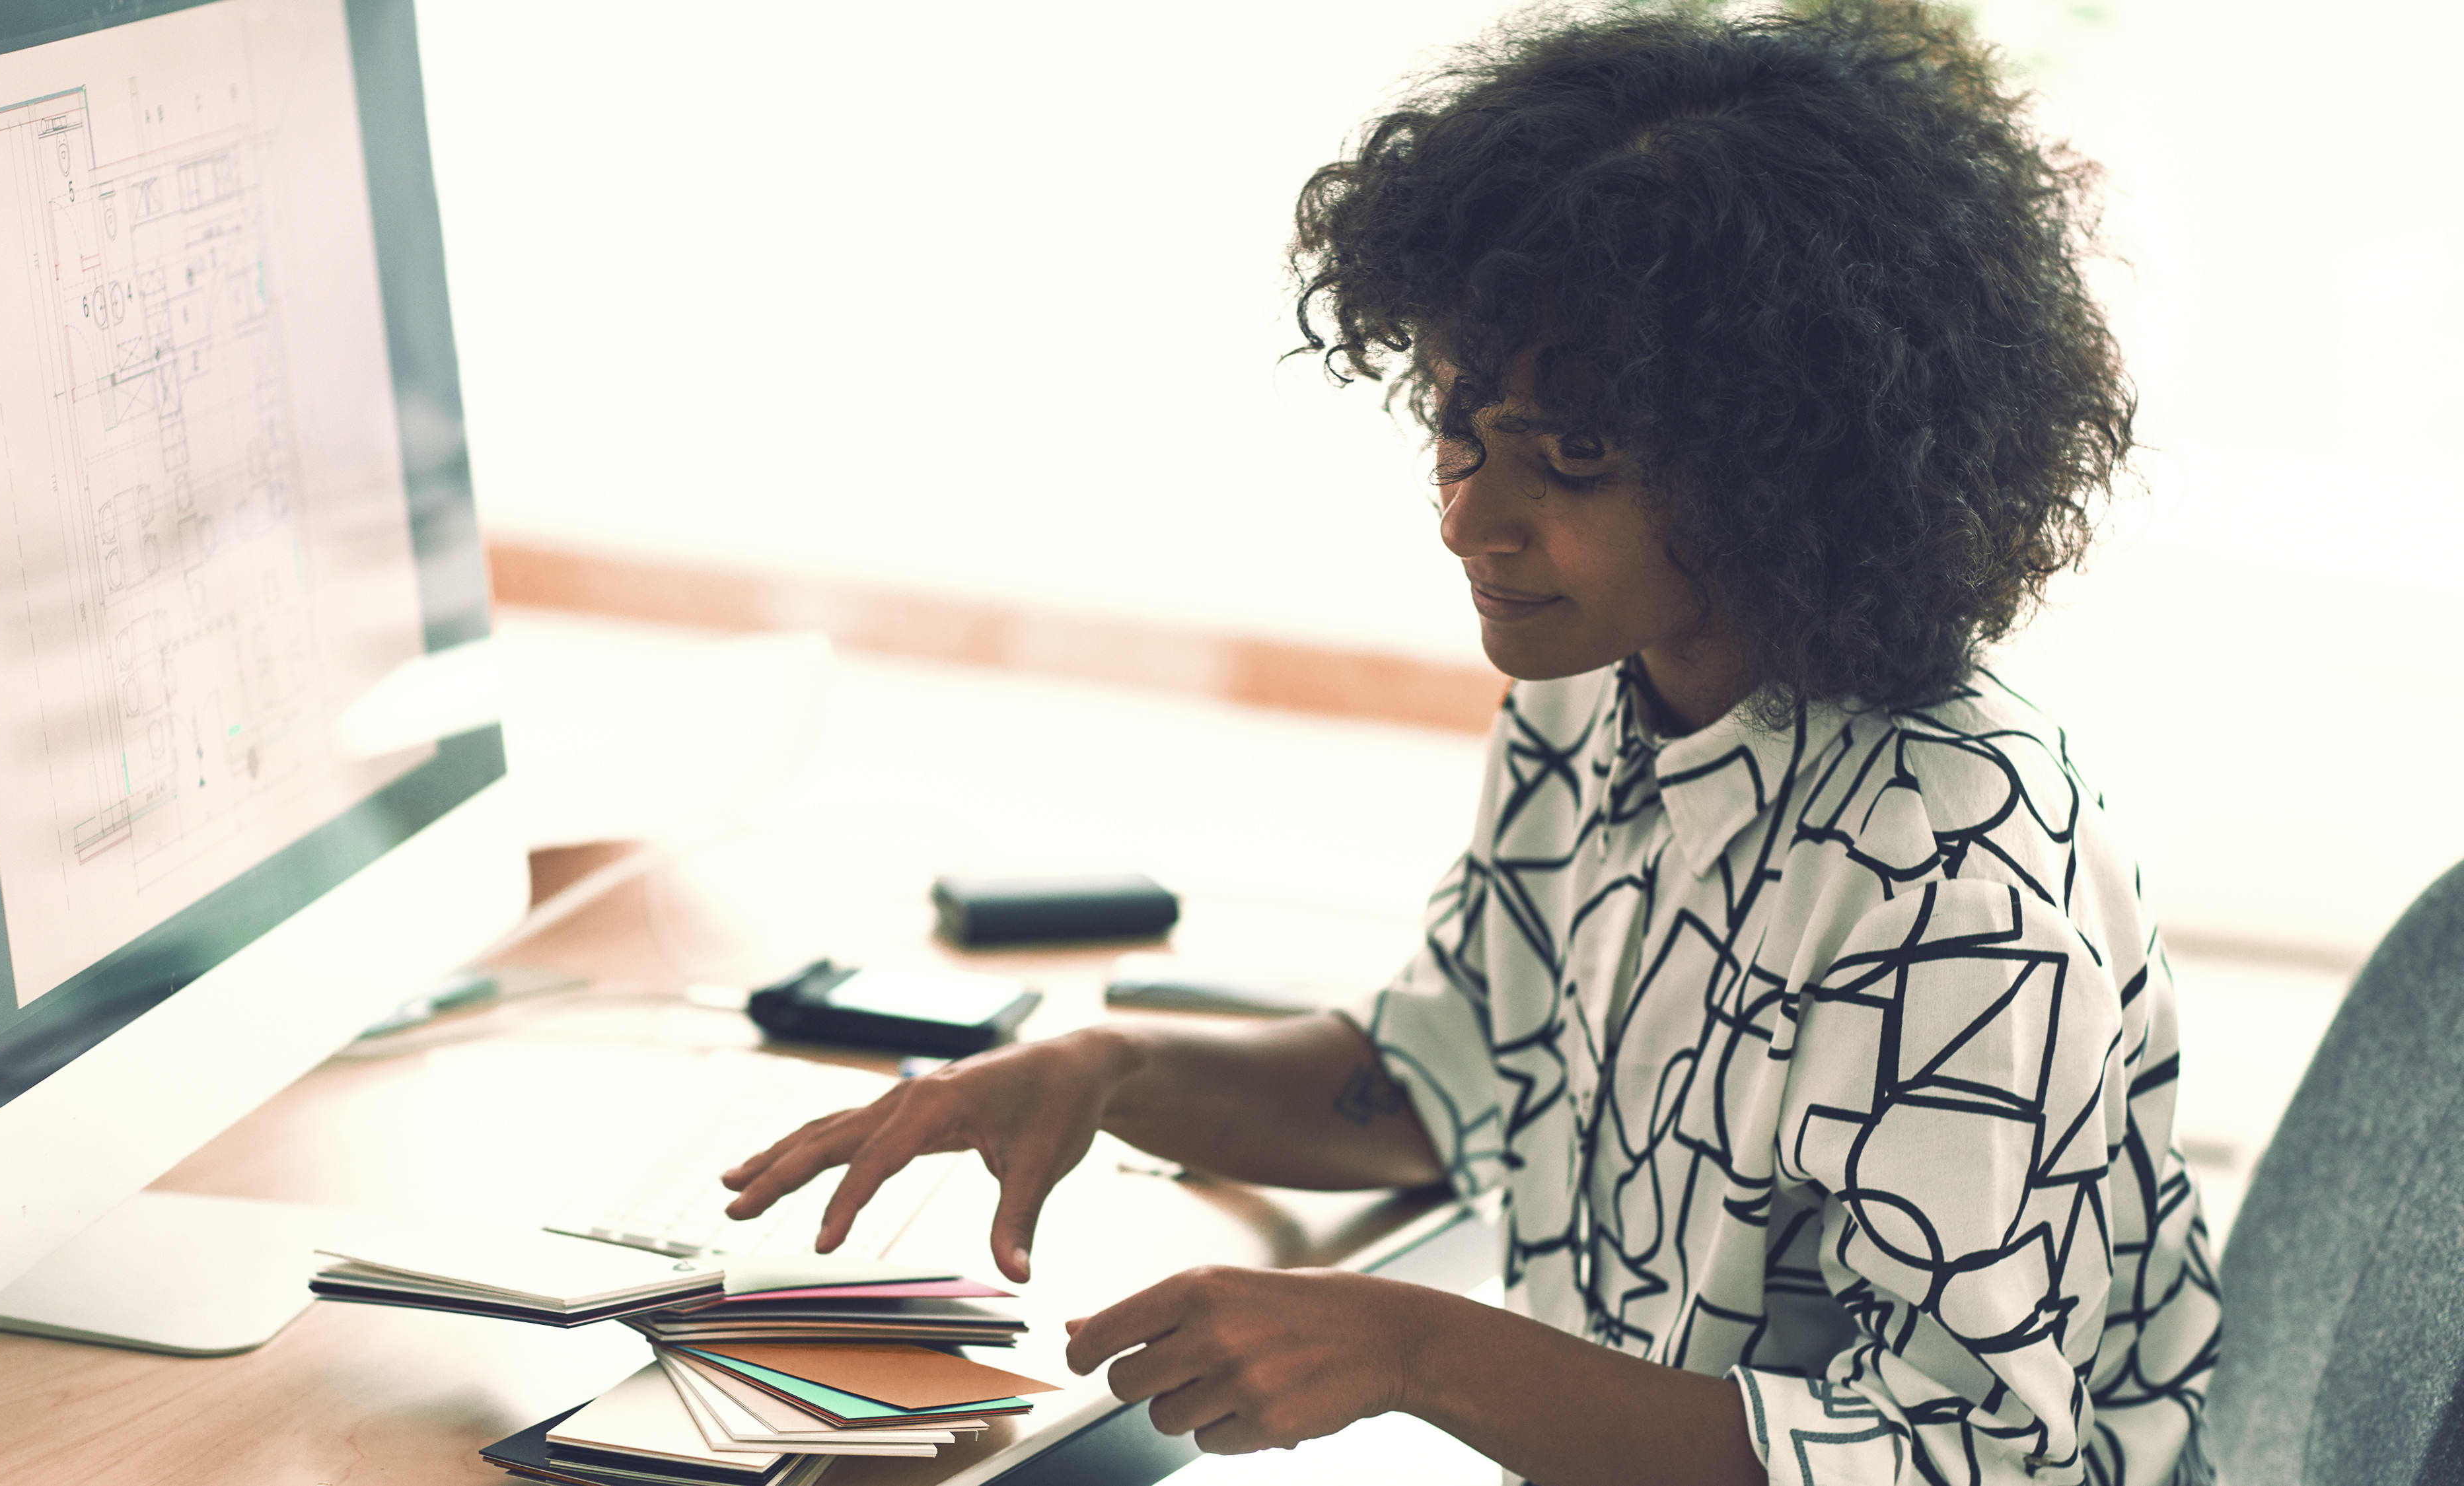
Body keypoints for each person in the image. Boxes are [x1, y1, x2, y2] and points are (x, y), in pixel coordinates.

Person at [719, 3, 2221, 1482]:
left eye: (1571, 459)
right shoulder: (1596, 691)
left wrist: (1412, 1354)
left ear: (1784, 466)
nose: (1467, 519)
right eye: (1458, 427)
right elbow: (1446, 1073)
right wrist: (1105, 1071)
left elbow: (1958, 1457)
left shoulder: (1943, 872)